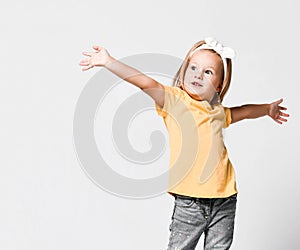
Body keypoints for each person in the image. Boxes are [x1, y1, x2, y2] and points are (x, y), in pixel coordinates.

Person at [79, 37, 289, 249]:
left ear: (218, 86)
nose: (198, 74)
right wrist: (109, 61)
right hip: (190, 203)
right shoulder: (173, 100)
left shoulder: (216, 110)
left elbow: (242, 112)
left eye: (208, 72)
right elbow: (144, 82)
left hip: (224, 198)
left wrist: (267, 109)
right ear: (182, 74)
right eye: (193, 68)